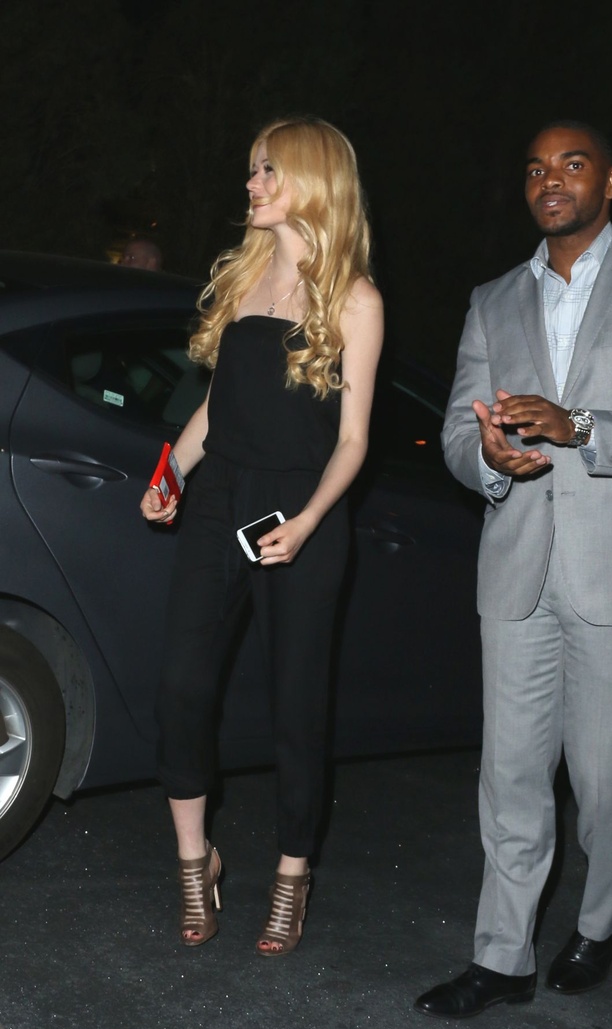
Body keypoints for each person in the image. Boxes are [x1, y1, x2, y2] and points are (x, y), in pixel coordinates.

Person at [414, 120, 612, 1018]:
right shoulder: (492, 299)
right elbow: (457, 430)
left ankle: (599, 921)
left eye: (572, 164)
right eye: (535, 169)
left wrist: (579, 425)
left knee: (604, 780)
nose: (550, 180)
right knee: (509, 775)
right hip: (518, 565)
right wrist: (490, 461)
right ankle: (502, 957)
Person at [140, 117, 383, 954]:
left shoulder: (355, 299)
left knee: (296, 704)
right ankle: (193, 859)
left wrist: (310, 520)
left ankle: (291, 874)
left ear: (314, 180)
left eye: (269, 170)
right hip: (222, 500)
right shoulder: (246, 279)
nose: (252, 183)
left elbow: (354, 440)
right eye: (253, 169)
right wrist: (171, 475)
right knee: (181, 685)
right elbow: (218, 410)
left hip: (301, 509)